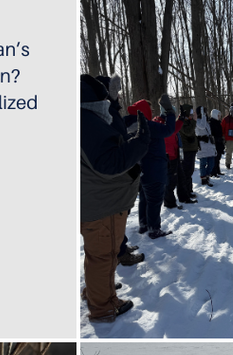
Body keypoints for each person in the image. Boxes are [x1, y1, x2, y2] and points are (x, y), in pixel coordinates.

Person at [81, 73, 149, 323]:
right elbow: (109, 162)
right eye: (109, 93)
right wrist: (141, 142)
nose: (115, 98)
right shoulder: (86, 122)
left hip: (97, 200)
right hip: (102, 204)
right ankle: (104, 306)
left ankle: (96, 292)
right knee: (103, 256)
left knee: (98, 254)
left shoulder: (85, 120)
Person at [127, 95, 177, 239]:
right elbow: (169, 130)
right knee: (155, 200)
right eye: (150, 108)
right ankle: (154, 229)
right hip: (154, 169)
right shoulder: (147, 125)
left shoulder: (132, 126)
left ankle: (144, 224)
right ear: (143, 111)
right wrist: (170, 111)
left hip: (142, 170)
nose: (153, 111)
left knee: (144, 197)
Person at [178, 104, 200, 204]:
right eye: (191, 113)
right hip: (186, 150)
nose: (192, 115)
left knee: (189, 172)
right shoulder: (181, 121)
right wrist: (194, 121)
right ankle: (185, 193)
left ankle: (189, 190)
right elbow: (188, 131)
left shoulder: (188, 120)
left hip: (191, 149)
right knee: (186, 172)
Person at [195, 106, 216, 187]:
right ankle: (203, 179)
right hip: (202, 145)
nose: (205, 113)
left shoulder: (206, 121)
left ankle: (207, 176)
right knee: (203, 163)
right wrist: (203, 115)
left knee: (211, 163)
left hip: (209, 144)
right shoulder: (197, 121)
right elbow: (202, 126)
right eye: (204, 111)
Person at [209, 109, 225, 177]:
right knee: (214, 158)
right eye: (218, 116)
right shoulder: (211, 123)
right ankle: (213, 172)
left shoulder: (218, 123)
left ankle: (218, 171)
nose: (219, 117)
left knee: (218, 158)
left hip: (219, 143)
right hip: (214, 143)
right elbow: (211, 134)